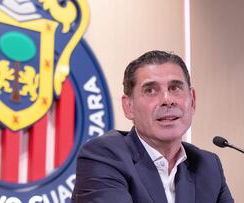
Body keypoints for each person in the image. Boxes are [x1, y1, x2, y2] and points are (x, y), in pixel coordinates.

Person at [71, 50, 234, 203]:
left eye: (175, 88)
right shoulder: (104, 157)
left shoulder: (207, 166)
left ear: (192, 101)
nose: (167, 99)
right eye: (150, 90)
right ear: (129, 107)